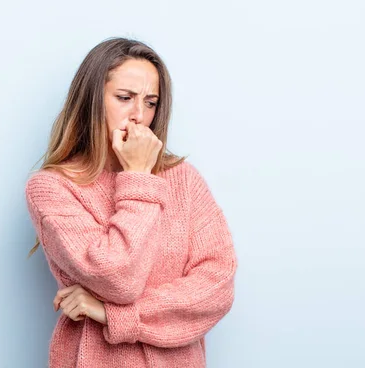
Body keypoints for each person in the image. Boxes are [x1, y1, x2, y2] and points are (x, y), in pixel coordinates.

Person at [24, 37, 237, 368]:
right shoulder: (52, 188)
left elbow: (217, 287)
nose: (139, 115)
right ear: (92, 100)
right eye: (125, 98)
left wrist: (111, 315)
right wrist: (138, 176)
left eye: (151, 102)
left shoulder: (183, 178)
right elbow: (119, 279)